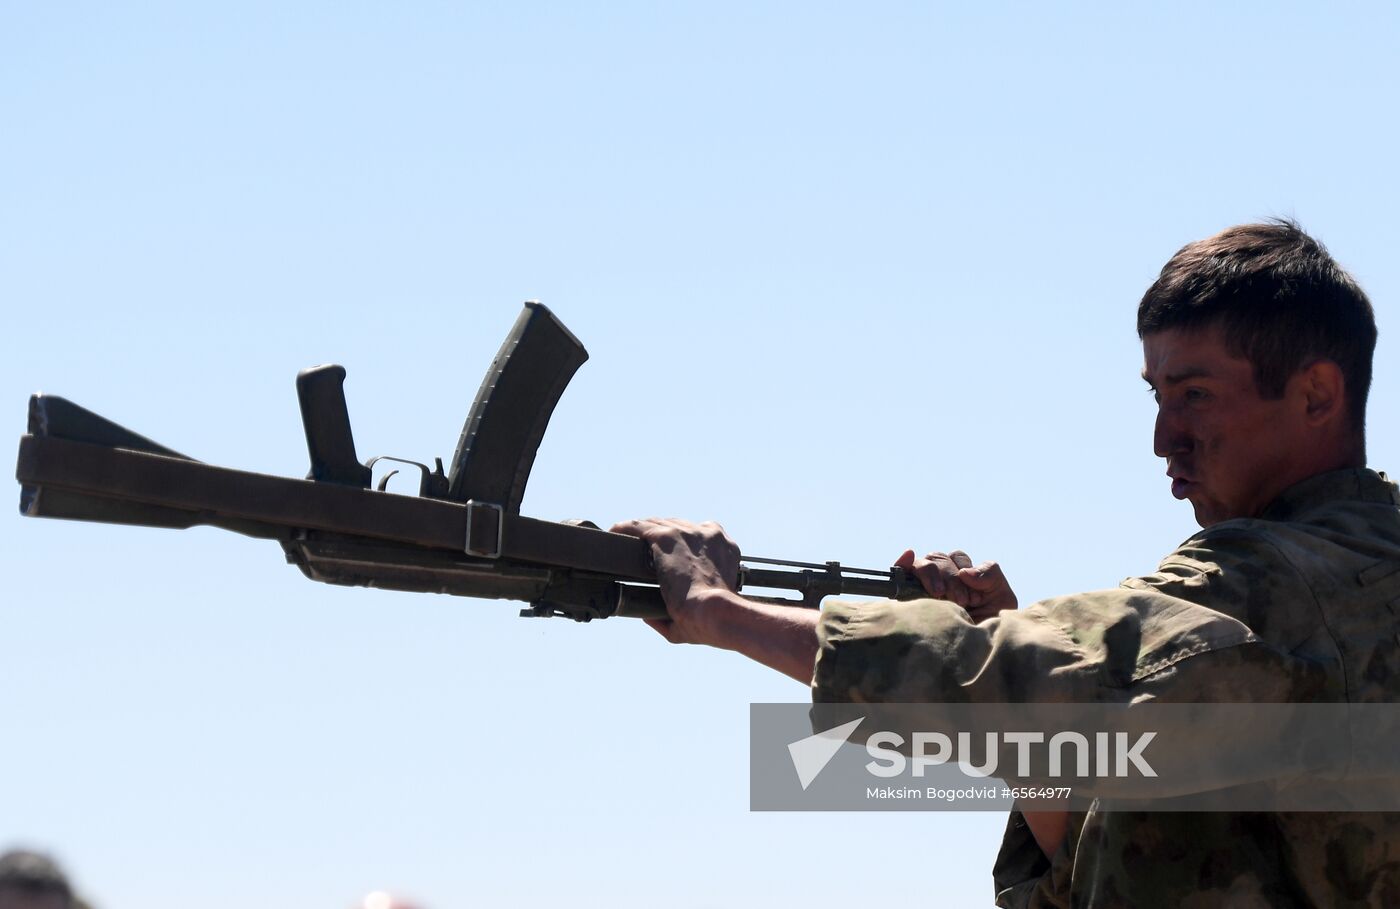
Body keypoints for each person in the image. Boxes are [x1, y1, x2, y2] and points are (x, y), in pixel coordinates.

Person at [613, 220, 1400, 907]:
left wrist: (714, 608)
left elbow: (998, 675)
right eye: (1156, 396)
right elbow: (1105, 839)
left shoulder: (1281, 578)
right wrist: (1011, 654)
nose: (1163, 438)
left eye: (1193, 394)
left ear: (1315, 395)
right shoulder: (1352, 573)